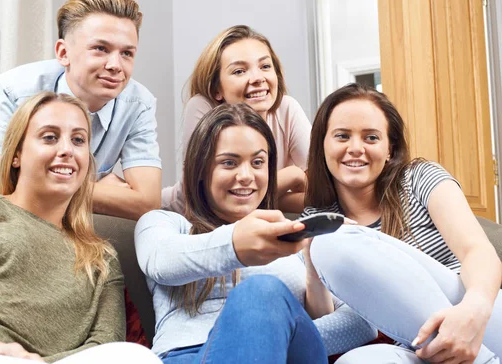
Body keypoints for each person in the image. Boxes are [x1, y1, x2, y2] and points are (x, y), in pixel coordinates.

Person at [0, 92, 161, 363]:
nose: (67, 150)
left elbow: (104, 345)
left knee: (135, 357)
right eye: (49, 137)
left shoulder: (102, 258)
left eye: (78, 140)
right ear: (16, 155)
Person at [136, 103, 377, 363]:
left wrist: (277, 327)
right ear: (201, 171)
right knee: (260, 291)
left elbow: (362, 323)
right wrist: (236, 244)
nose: (246, 176)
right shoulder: (166, 224)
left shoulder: (295, 238)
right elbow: (161, 262)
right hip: (189, 356)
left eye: (258, 162)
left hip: (286, 355)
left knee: (262, 292)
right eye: (229, 163)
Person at [301, 83, 502, 363]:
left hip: (480, 321)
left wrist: (473, 311)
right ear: (323, 145)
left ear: (389, 149)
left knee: (331, 241)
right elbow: (340, 322)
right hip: (415, 348)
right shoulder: (317, 218)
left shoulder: (419, 178)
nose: (355, 148)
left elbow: (477, 251)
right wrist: (312, 265)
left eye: (371, 138)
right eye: (342, 136)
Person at [0, 0, 161, 221]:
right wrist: (96, 187)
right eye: (100, 49)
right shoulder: (15, 89)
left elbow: (147, 203)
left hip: (74, 225)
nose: (115, 65)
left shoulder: (139, 104)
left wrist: (41, 180)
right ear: (63, 53)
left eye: (127, 53)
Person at [162, 25, 311, 214]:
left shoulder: (287, 109)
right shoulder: (202, 107)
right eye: (239, 71)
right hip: (179, 211)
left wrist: (267, 195)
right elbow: (207, 196)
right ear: (217, 88)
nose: (258, 78)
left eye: (265, 66)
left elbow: (323, 191)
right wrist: (293, 176)